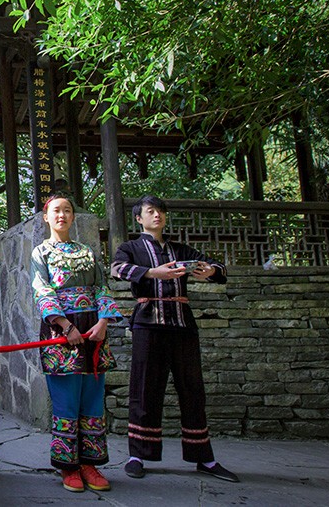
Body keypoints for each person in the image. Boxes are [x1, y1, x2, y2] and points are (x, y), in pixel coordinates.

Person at [110, 195, 239, 483]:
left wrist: (211, 270)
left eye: (161, 211)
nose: (157, 215)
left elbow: (220, 269)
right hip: (147, 323)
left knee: (193, 389)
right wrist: (151, 273)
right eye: (150, 211)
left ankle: (203, 457)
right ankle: (137, 455)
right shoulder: (129, 248)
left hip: (182, 324)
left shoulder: (180, 249)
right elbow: (117, 269)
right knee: (144, 389)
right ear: (139, 218)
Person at [31, 194, 122, 493]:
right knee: (67, 402)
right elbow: (42, 291)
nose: (62, 215)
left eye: (67, 210)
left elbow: (101, 287)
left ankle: (90, 464)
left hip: (94, 331)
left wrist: (104, 322)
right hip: (61, 335)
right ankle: (68, 466)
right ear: (46, 217)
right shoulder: (40, 253)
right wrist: (65, 325)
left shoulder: (87, 252)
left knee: (93, 401)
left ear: (73, 217)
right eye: (56, 210)